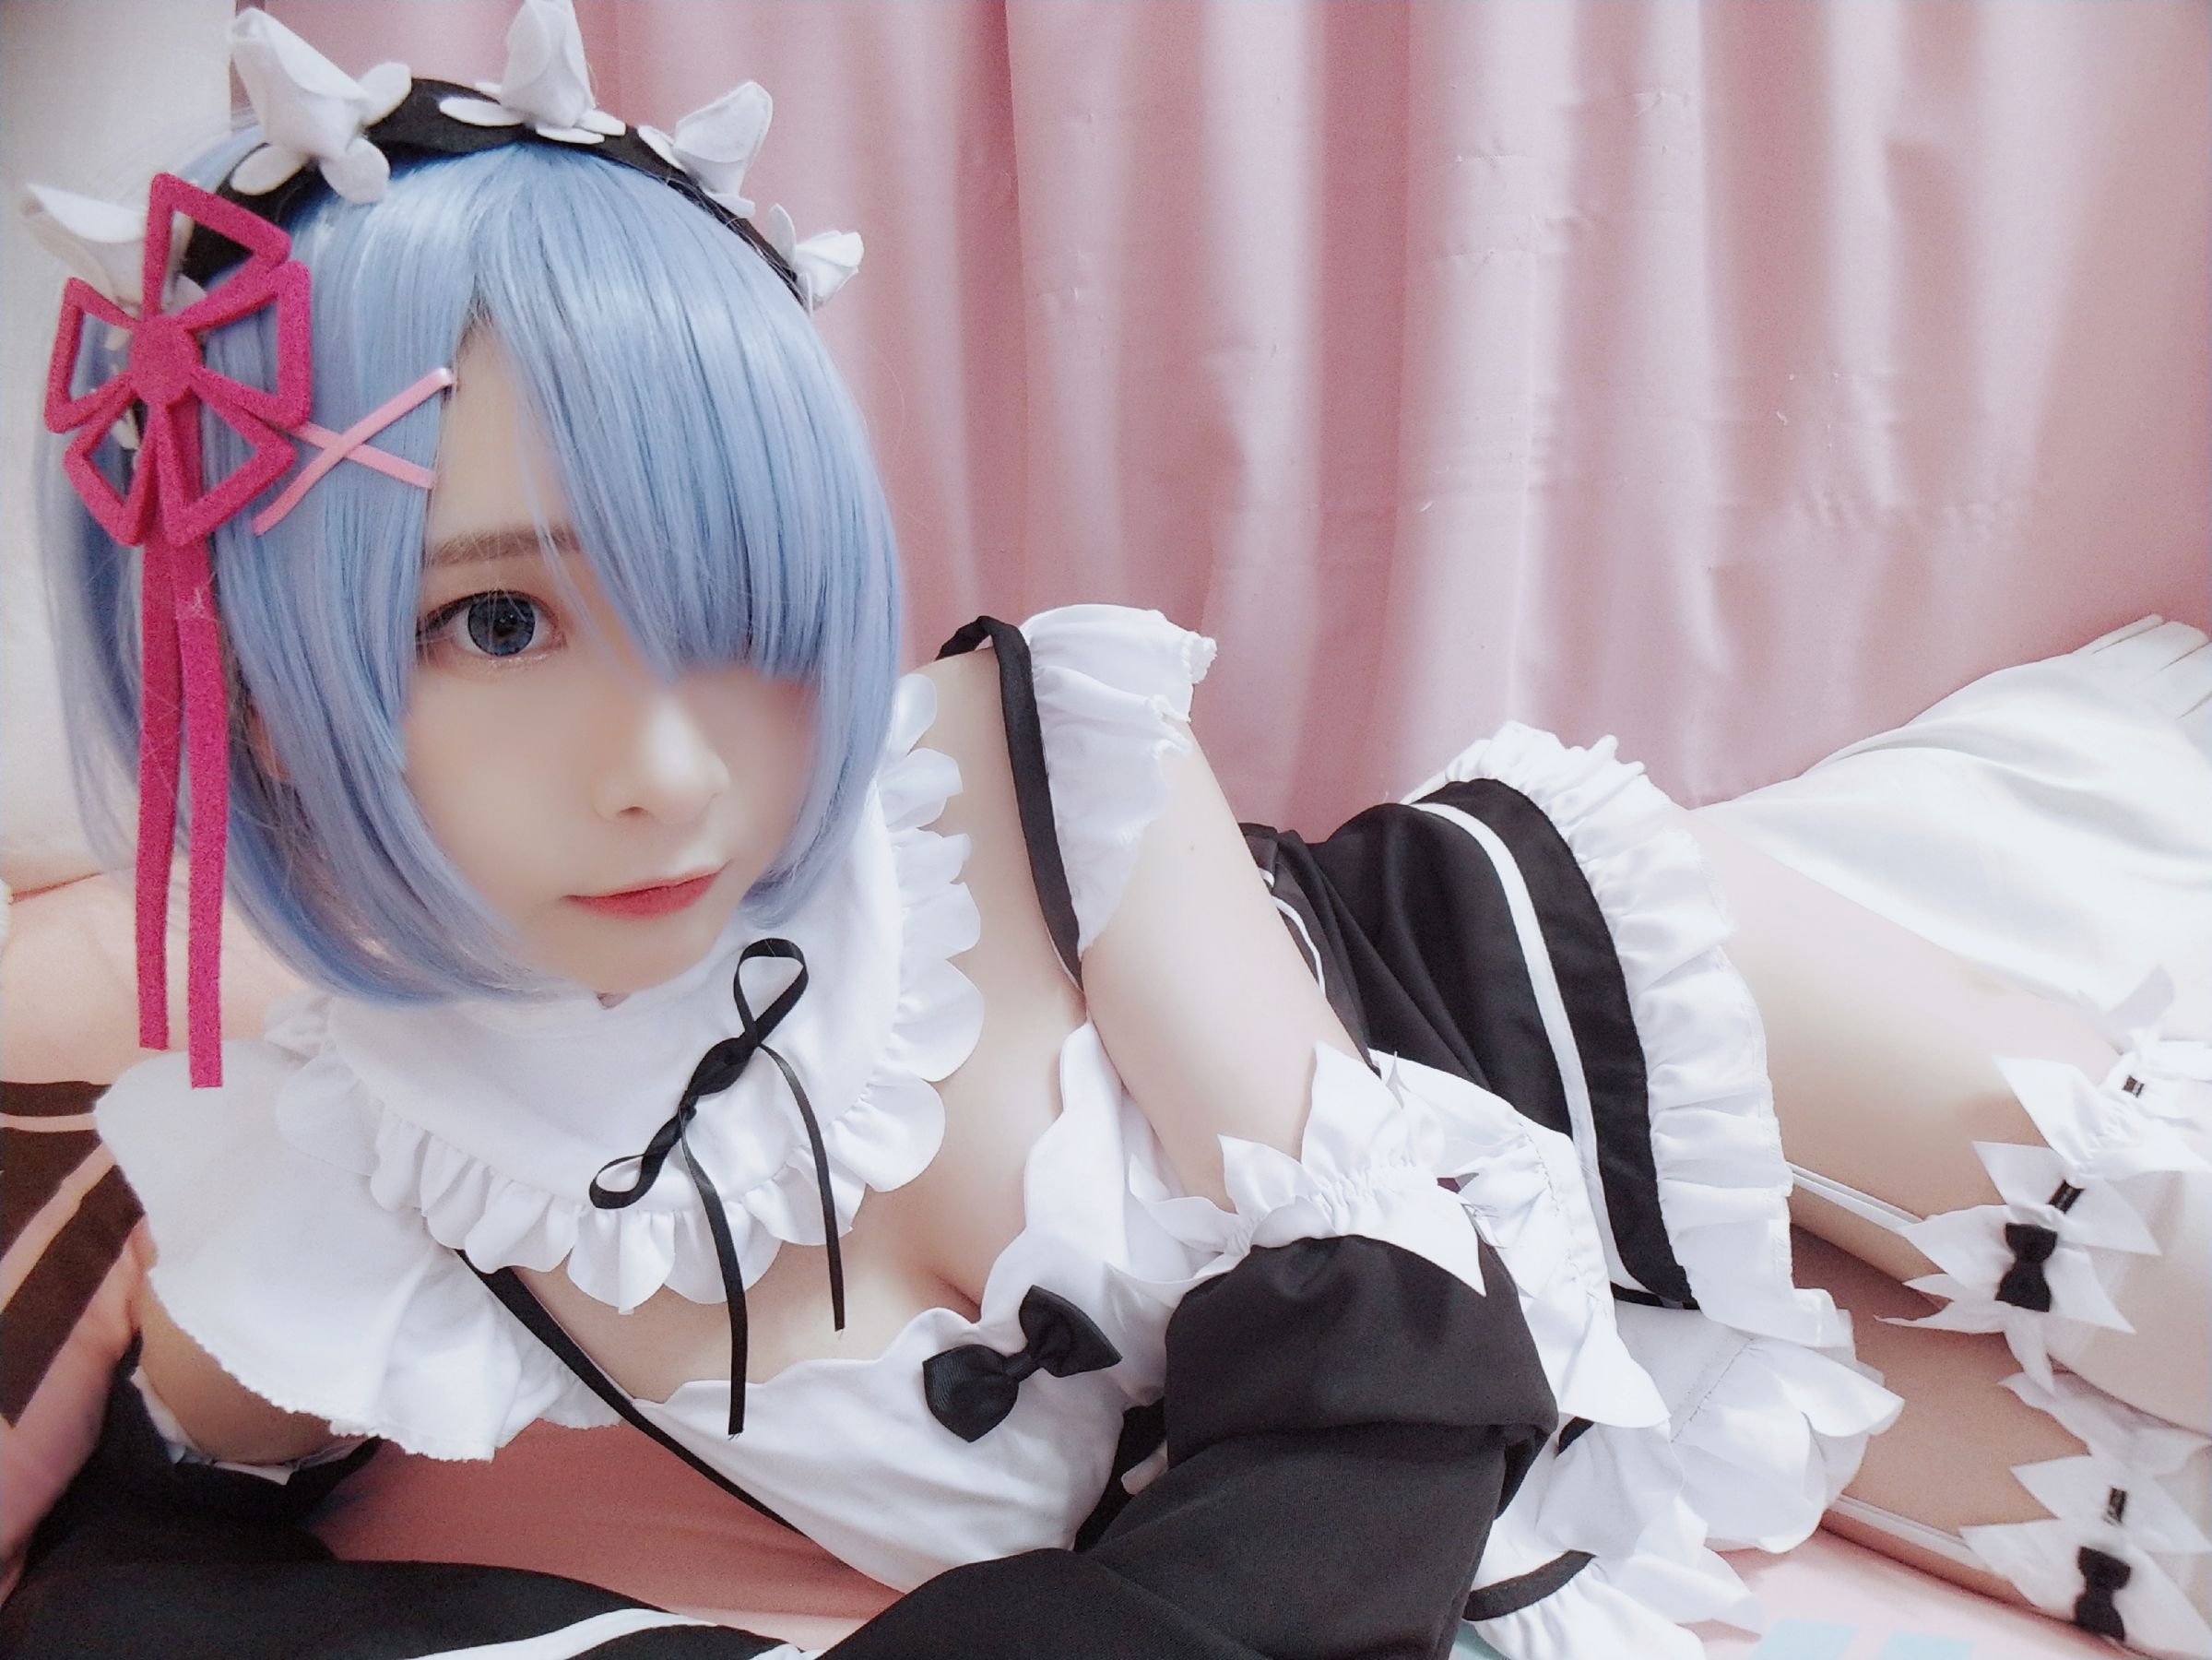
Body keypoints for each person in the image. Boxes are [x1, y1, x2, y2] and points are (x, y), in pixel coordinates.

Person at [7, 6, 2206, 1657]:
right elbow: (143, 1575)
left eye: (733, 587)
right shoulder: (350, 1183)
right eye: (494, 621)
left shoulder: (1007, 752)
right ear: (238, 674)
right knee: (2148, 1550)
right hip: (1520, 1439)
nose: (670, 765)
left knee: (2156, 1256)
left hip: (1547, 1011)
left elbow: (1380, 1341)